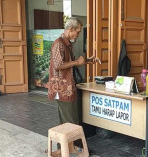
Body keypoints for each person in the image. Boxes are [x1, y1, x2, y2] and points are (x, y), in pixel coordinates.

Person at [48, 17, 98, 153]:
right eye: (78, 31)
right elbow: (58, 65)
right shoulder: (58, 44)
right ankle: (73, 148)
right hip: (62, 88)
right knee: (71, 121)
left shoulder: (67, 44)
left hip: (66, 87)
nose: (79, 34)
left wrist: (88, 61)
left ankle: (65, 148)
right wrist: (77, 62)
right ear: (71, 29)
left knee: (67, 120)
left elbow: (72, 63)